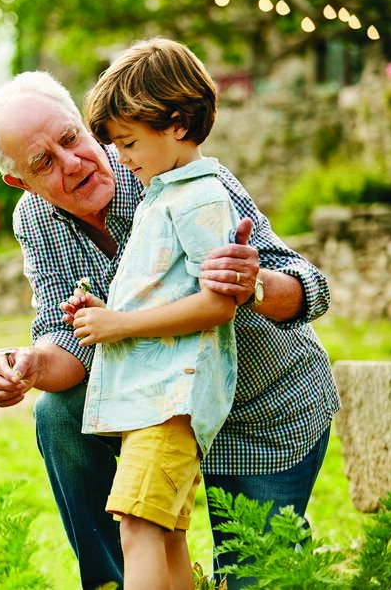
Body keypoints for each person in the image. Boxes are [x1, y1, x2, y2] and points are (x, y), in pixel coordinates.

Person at [0, 67, 339, 589]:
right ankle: (114, 582)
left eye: (71, 139)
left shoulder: (176, 171)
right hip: (161, 409)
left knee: (259, 579)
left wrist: (253, 280)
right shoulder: (35, 218)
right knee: (58, 414)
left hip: (260, 410)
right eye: (43, 163)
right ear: (19, 181)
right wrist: (31, 365)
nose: (73, 163)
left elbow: (311, 287)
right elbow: (68, 341)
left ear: (83, 122)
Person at [65, 38, 240, 590]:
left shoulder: (201, 198)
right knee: (163, 535)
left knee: (139, 527)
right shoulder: (161, 196)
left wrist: (119, 326)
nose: (122, 156)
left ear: (179, 124)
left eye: (130, 141)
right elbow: (166, 293)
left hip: (172, 399)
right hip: (153, 396)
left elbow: (218, 303)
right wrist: (105, 312)